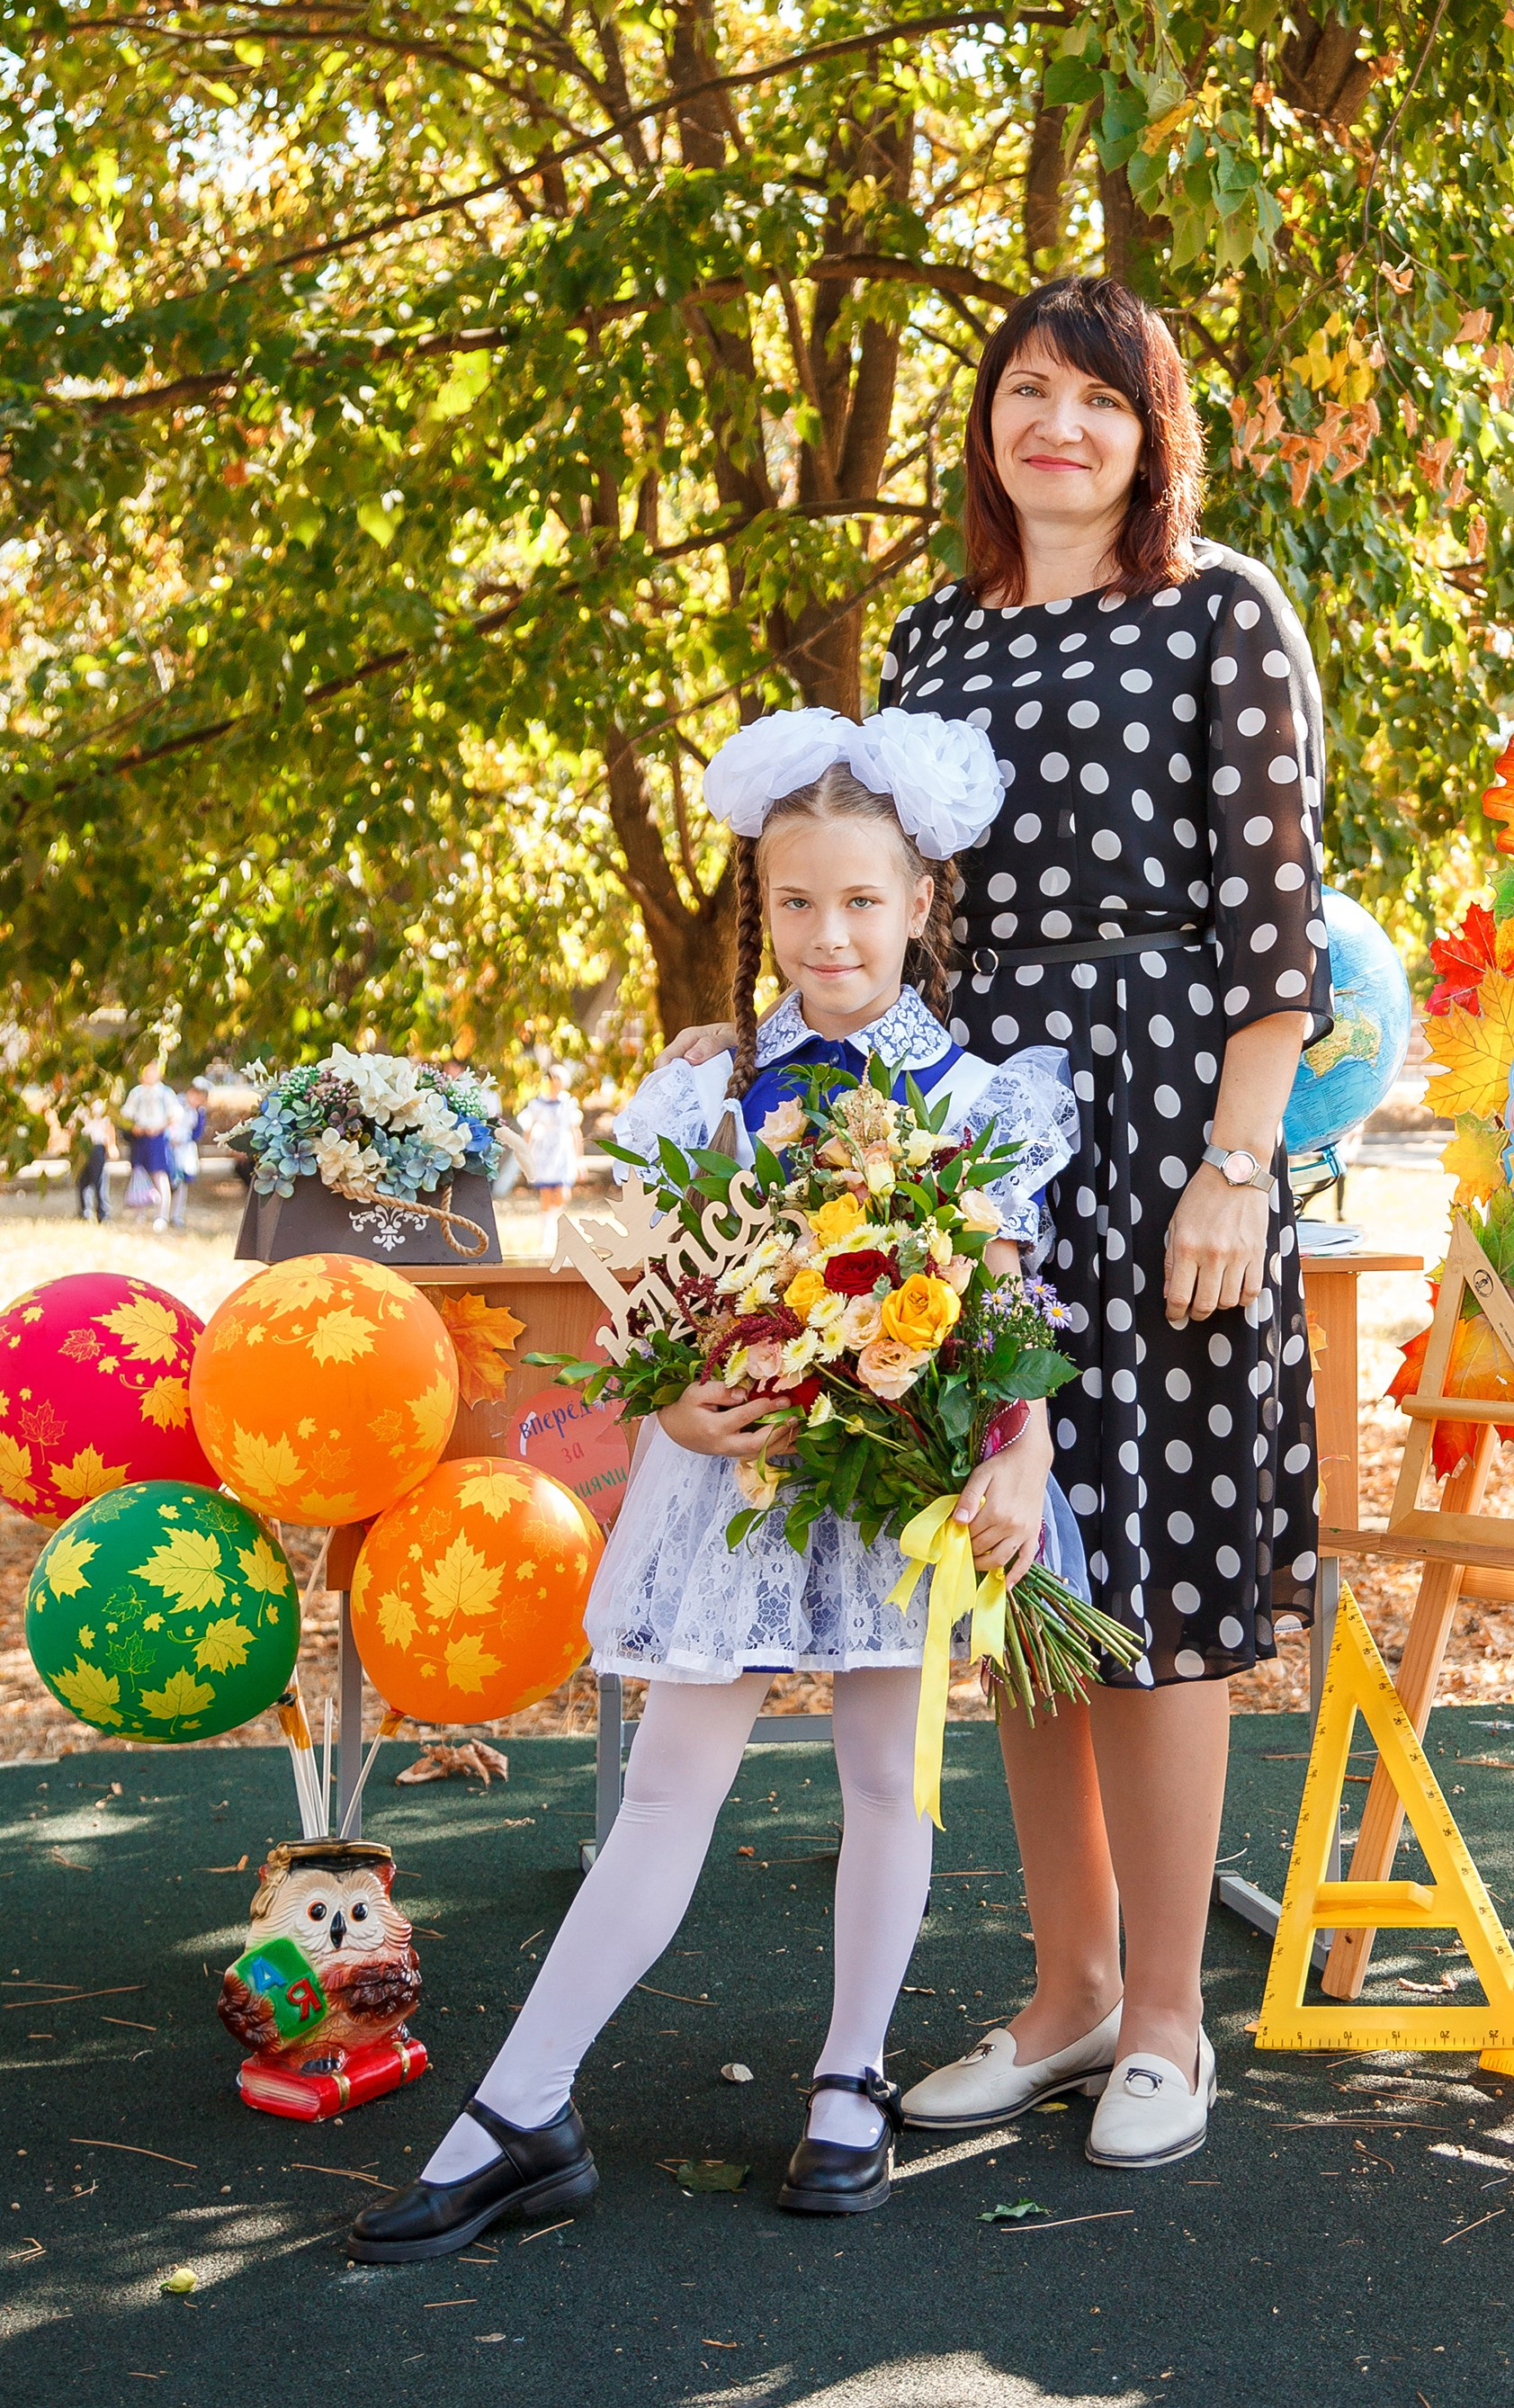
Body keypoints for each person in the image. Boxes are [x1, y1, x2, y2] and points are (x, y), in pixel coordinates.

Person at [663, 274, 1331, 2171]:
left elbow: (1276, 916)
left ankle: (1166, 2026)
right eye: (1024, 393)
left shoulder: (1219, 611)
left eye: (1096, 400)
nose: (1057, 426)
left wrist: (1230, 1162)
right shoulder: (933, 639)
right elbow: (864, 894)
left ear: (1149, 432)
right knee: (1018, 1557)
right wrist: (782, 1054)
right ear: (987, 426)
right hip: (969, 1139)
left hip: (1169, 1117)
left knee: (1168, 1568)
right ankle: (1061, 1994)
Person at [348, 709, 1080, 2265]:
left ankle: (847, 2082)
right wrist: (675, 1399)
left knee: (888, 1776)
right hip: (737, 1489)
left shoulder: (983, 1095)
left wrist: (1012, 1450)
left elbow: (1010, 1310)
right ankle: (521, 2109)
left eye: (863, 901)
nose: (831, 932)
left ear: (922, 905)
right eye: (799, 900)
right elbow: (650, 1306)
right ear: (765, 905)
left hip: (902, 1485)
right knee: (671, 1787)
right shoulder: (701, 1088)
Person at [516, 1063, 585, 1224]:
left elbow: (575, 1131)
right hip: (544, 1150)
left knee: (563, 1192)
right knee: (546, 1192)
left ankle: (555, 1221)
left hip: (562, 1150)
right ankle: (547, 1233)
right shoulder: (538, 1104)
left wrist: (579, 1159)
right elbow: (529, 1129)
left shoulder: (568, 1103)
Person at [120, 1056, 181, 1230]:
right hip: (140, 1138)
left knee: (159, 1174)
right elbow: (127, 1115)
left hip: (157, 1138)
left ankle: (162, 1215)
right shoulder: (136, 1093)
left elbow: (175, 1115)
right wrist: (134, 1128)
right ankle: (140, 1212)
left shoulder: (165, 1093)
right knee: (140, 1174)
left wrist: (160, 1128)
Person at [168, 1080, 209, 1231]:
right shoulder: (175, 1103)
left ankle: (176, 1215)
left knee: (182, 1183)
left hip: (185, 1149)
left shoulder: (198, 1112)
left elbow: (197, 1133)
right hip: (170, 1147)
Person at [74, 1097, 117, 1223]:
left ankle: (103, 1214)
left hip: (97, 1144)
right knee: (82, 1179)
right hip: (81, 1145)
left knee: (99, 1179)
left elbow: (108, 1124)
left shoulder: (99, 1101)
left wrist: (111, 1144)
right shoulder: (77, 1100)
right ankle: (85, 1212)